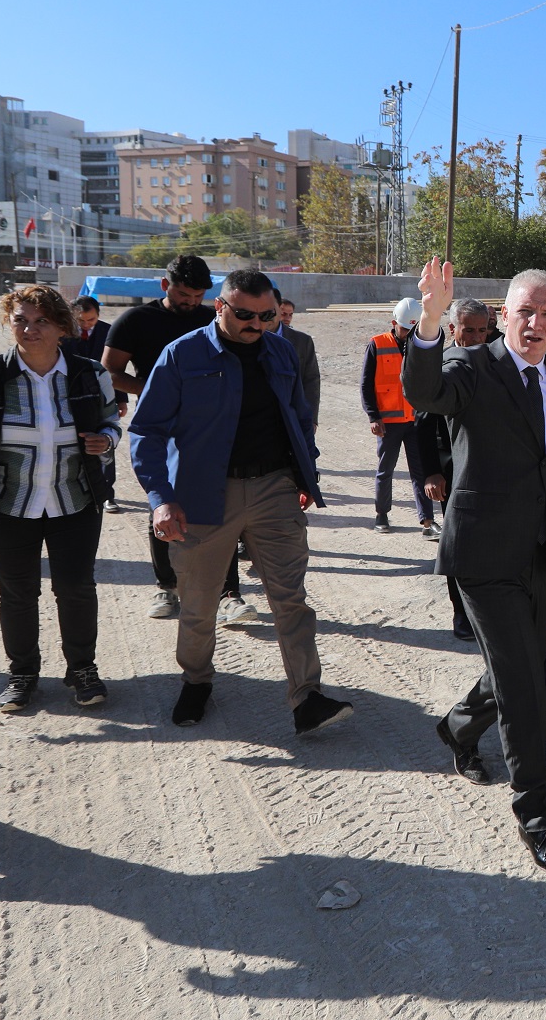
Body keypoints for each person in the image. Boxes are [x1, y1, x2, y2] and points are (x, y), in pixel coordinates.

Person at [403, 260, 546, 879]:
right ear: (503, 314)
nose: (535, 323)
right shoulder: (471, 366)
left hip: (542, 556)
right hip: (484, 555)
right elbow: (424, 393)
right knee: (524, 686)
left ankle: (459, 729)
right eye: (525, 311)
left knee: (520, 667)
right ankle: (537, 816)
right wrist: (429, 323)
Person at [130, 268, 352, 734]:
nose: (258, 324)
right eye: (246, 315)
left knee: (291, 599)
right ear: (220, 307)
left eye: (267, 316)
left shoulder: (281, 351)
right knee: (199, 603)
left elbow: (298, 417)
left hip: (274, 490)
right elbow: (147, 431)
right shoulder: (182, 354)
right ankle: (196, 680)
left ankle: (307, 696)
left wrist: (303, 471)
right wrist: (161, 498)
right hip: (202, 496)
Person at [0, 286, 117, 713]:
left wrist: (106, 441)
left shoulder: (89, 373)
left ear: (62, 327)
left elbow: (112, 422)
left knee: (76, 589)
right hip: (6, 505)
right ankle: (22, 674)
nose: (29, 329)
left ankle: (82, 670)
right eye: (20, 319)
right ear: (9, 323)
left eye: (41, 321)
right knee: (17, 594)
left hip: (74, 501)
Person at [102, 254, 247, 625]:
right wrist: (156, 389)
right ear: (165, 285)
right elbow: (109, 371)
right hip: (160, 425)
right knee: (163, 500)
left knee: (221, 503)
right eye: (184, 294)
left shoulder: (212, 319)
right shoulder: (136, 320)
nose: (191, 302)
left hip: (208, 426)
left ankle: (230, 593)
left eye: (198, 296)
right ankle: (166, 587)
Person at [418, 297, 491, 639]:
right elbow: (423, 424)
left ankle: (488, 610)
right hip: (453, 475)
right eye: (469, 330)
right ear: (453, 328)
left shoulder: (496, 363)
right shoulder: (440, 365)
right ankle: (461, 613)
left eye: (482, 330)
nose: (476, 337)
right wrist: (431, 472)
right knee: (459, 545)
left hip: (492, 471)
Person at [362, 298, 435, 537]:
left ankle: (427, 521)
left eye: (413, 329)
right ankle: (381, 515)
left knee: (420, 471)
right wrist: (373, 417)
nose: (408, 334)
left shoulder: (421, 345)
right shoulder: (377, 344)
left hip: (415, 421)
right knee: (385, 470)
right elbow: (365, 385)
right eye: (405, 329)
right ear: (394, 323)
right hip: (388, 423)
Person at [67, 294, 129, 513]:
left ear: (98, 315)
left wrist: (121, 399)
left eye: (91, 320)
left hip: (103, 397)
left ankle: (107, 494)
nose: (85, 324)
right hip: (71, 398)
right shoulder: (62, 332)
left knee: (106, 441)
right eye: (81, 321)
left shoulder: (109, 332)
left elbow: (117, 369)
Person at [274, 296, 321, 421]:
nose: (287, 318)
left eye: (290, 315)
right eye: (284, 314)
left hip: (293, 413)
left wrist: (312, 419)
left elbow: (311, 380)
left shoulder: (302, 341)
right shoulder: (254, 336)